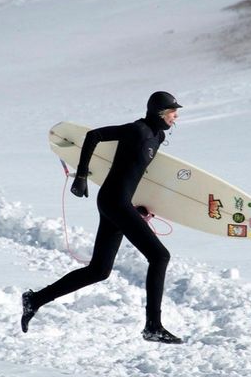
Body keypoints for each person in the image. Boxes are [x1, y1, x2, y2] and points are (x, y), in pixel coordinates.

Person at [21, 91, 183, 344]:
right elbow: (93, 135)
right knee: (160, 256)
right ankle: (153, 325)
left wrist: (138, 209)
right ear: (160, 112)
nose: (176, 116)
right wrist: (81, 176)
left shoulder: (158, 137)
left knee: (99, 271)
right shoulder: (137, 130)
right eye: (173, 111)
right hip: (113, 202)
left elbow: (133, 172)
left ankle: (35, 299)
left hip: (119, 203)